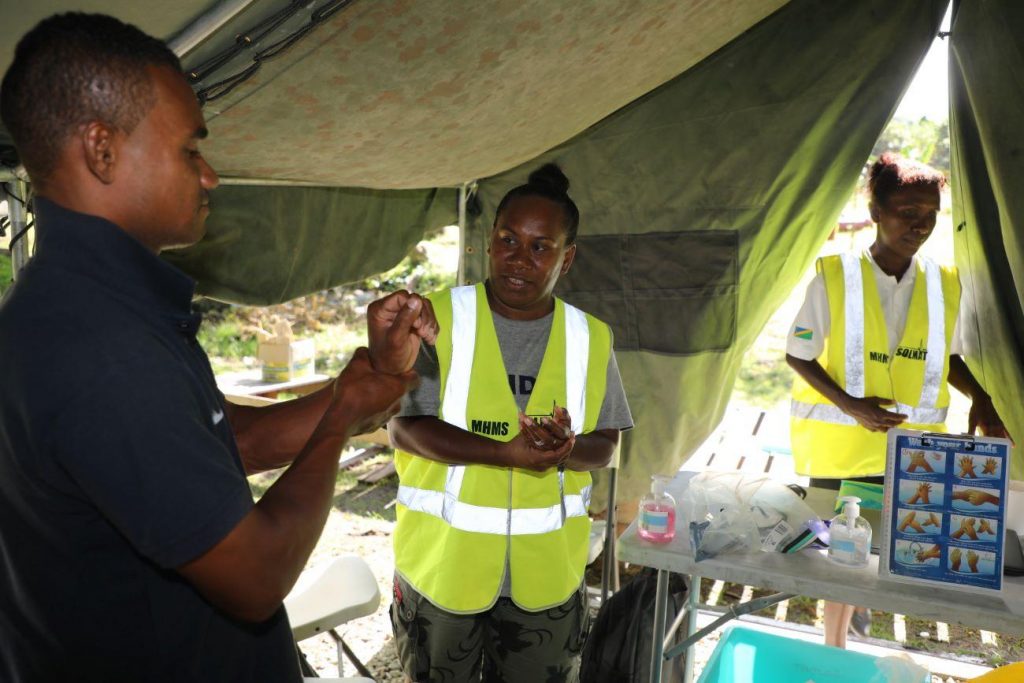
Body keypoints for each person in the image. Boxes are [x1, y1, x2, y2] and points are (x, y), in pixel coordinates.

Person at [0, 13, 435, 682]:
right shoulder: (101, 347)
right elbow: (256, 573)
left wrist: (365, 380)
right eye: (189, 150)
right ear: (102, 150)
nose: (210, 177)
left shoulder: (89, 307)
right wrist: (343, 414)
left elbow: (231, 439)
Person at [387, 164, 633, 683]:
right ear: (489, 241)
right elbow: (405, 428)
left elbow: (606, 446)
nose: (520, 259)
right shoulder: (436, 318)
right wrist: (506, 453)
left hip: (544, 583)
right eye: (508, 240)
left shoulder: (591, 337)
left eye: (541, 247)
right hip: (442, 573)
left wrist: (566, 450)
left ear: (567, 259)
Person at [786, 153, 1011, 649]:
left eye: (929, 213)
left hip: (915, 451)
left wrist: (981, 397)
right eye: (907, 211)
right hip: (842, 449)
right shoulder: (834, 275)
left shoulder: (945, 283)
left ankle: (862, 636)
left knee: (903, 546)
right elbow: (798, 355)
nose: (920, 224)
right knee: (841, 553)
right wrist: (851, 405)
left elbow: (946, 358)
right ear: (876, 212)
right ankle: (834, 647)